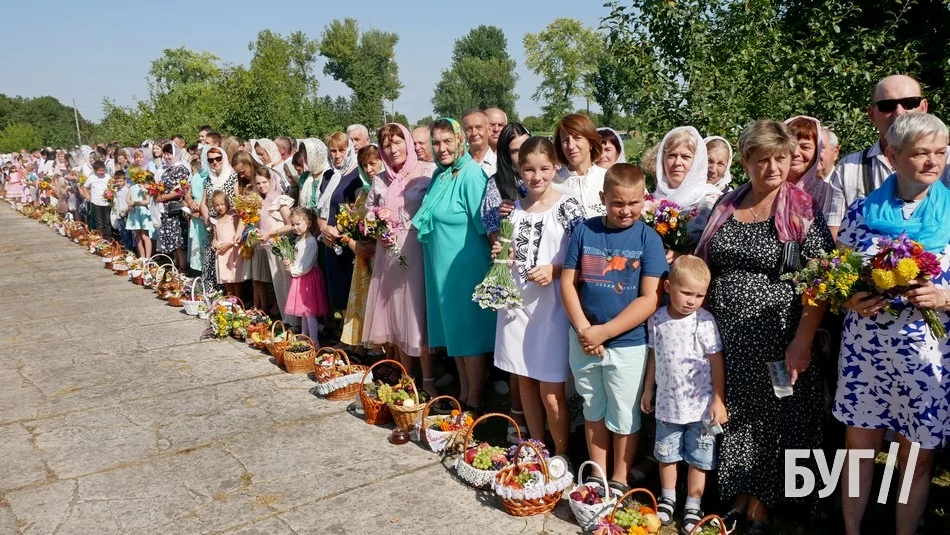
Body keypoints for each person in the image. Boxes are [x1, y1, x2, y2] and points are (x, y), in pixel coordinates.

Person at [694, 120, 834, 534]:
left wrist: (803, 340)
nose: (772, 167)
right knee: (736, 412)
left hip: (780, 340)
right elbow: (707, 257)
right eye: (762, 159)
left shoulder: (803, 209)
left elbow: (821, 280)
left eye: (781, 158)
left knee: (775, 416)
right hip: (729, 338)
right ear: (747, 161)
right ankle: (739, 492)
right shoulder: (726, 204)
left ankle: (763, 502)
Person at [832, 112, 950, 535]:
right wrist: (849, 296)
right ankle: (851, 530)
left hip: (927, 358)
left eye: (940, 151)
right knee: (859, 451)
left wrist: (944, 297)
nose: (933, 161)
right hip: (866, 353)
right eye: (921, 153)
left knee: (915, 458)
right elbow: (835, 274)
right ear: (892, 155)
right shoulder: (863, 211)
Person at [561, 163, 668, 493]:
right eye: (618, 203)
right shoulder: (584, 231)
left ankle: (620, 478)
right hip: (583, 338)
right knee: (593, 407)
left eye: (634, 203)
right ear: (603, 197)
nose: (626, 210)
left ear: (644, 199)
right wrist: (584, 329)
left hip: (628, 344)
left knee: (624, 414)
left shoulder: (648, 238)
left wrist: (603, 333)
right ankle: (598, 473)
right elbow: (568, 283)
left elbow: (650, 298)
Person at [492, 136, 585, 457]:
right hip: (516, 306)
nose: (537, 176)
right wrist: (502, 253)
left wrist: (556, 270)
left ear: (556, 166)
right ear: (519, 170)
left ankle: (560, 455)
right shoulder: (514, 209)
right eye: (529, 169)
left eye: (544, 168)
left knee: (551, 389)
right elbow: (510, 251)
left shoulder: (568, 206)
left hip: (552, 308)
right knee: (525, 381)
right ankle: (536, 445)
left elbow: (585, 255)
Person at [412, 118, 496, 413]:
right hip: (441, 267)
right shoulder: (440, 175)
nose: (442, 148)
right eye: (436, 143)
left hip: (466, 267)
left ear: (460, 141)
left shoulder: (471, 175)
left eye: (448, 141)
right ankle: (463, 391)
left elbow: (487, 225)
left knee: (468, 333)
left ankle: (474, 400)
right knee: (454, 334)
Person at [640, 255, 727, 532]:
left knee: (698, 458)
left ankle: (693, 505)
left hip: (700, 407)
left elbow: (716, 362)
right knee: (667, 454)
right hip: (668, 403)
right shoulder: (657, 320)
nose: (692, 300)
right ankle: (667, 499)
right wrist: (648, 388)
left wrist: (717, 399)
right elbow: (654, 356)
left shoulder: (704, 321)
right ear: (668, 287)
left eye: (700, 295)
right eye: (686, 293)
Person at [827, 74, 950, 239]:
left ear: (924, 107)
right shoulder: (848, 168)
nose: (899, 112)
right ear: (871, 114)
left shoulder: (947, 164)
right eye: (887, 105)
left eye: (909, 103)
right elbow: (835, 231)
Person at [363, 123, 435, 393]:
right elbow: (369, 212)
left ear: (407, 142)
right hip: (388, 253)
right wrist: (375, 228)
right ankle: (406, 376)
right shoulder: (379, 179)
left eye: (397, 142)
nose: (392, 150)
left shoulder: (426, 174)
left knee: (417, 314)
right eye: (386, 145)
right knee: (395, 314)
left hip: (416, 248)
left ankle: (428, 379)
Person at [339, 145, 381, 356]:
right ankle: (360, 343)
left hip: (379, 253)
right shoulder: (360, 192)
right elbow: (351, 225)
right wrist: (352, 242)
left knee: (376, 300)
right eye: (364, 165)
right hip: (362, 252)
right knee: (362, 300)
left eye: (373, 163)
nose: (369, 169)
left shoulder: (386, 189)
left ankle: (375, 347)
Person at [318, 133, 362, 324]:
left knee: (349, 288)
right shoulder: (328, 175)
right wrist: (323, 227)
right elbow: (320, 207)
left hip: (347, 241)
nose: (337, 155)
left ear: (350, 150)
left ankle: (353, 340)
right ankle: (342, 334)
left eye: (342, 150)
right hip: (329, 240)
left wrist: (341, 230)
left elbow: (358, 209)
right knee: (336, 289)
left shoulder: (356, 175)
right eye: (333, 151)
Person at [652, 126, 721, 245]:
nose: (677, 163)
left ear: (697, 162)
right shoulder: (648, 203)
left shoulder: (714, 203)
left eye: (686, 157)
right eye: (671, 155)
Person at [257, 167, 298, 328]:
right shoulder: (263, 201)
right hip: (270, 246)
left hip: (281, 246)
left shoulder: (280, 199)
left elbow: (290, 225)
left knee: (287, 282)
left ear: (271, 181)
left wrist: (272, 233)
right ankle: (286, 318)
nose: (261, 186)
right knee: (278, 283)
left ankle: (294, 320)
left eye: (264, 182)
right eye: (258, 183)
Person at [283, 207, 328, 342]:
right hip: (300, 277)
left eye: (298, 224)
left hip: (308, 279)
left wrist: (292, 270)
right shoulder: (298, 240)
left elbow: (307, 264)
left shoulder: (310, 242)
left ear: (308, 223)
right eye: (293, 225)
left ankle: (314, 341)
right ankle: (304, 335)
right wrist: (288, 263)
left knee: (309, 312)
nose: (295, 227)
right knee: (303, 312)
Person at [480, 122, 531, 240]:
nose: (524, 154)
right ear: (506, 155)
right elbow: (496, 240)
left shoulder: (549, 176)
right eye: (515, 151)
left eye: (527, 146)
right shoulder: (496, 185)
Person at [552, 113, 607, 217]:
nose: (571, 146)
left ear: (591, 142)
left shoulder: (609, 178)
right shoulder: (553, 184)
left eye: (577, 138)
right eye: (565, 140)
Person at [201, 147, 239, 293]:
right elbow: (203, 203)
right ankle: (214, 293)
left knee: (231, 264)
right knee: (213, 261)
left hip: (229, 226)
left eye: (218, 158)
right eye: (211, 160)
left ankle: (234, 297)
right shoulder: (209, 179)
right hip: (213, 225)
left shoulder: (232, 176)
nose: (214, 162)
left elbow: (237, 200)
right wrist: (207, 218)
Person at [785, 116, 833, 217]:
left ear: (817, 152)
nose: (795, 153)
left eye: (805, 147)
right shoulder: (765, 189)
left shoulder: (829, 194)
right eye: (790, 146)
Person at [155, 143, 191, 270]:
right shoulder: (166, 168)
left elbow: (181, 190)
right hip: (166, 209)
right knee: (172, 240)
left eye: (169, 154)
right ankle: (176, 266)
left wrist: (164, 197)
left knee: (179, 240)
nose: (166, 157)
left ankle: (183, 268)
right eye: (164, 154)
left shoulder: (181, 169)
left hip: (176, 209)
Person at [210, 190, 245, 297]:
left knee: (235, 277)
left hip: (232, 250)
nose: (220, 207)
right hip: (222, 253)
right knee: (226, 279)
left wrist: (228, 245)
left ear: (227, 203)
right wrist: (214, 244)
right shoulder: (216, 220)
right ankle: (230, 299)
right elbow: (215, 238)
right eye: (216, 205)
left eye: (222, 204)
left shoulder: (233, 217)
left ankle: (238, 300)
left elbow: (238, 235)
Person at [126, 167, 154, 260]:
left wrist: (136, 203)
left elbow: (147, 201)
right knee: (136, 235)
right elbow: (127, 198)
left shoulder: (144, 188)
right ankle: (142, 256)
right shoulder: (132, 187)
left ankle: (148, 257)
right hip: (134, 212)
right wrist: (130, 203)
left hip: (142, 212)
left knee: (144, 235)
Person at [81, 161, 112, 239]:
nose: (102, 172)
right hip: (96, 202)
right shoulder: (92, 177)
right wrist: (87, 195)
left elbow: (112, 187)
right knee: (99, 222)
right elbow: (84, 187)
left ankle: (108, 238)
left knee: (107, 222)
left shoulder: (108, 177)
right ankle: (101, 238)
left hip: (107, 202)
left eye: (103, 170)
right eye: (100, 171)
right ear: (95, 171)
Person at [462, 109, 496, 177]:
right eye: (469, 129)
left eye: (479, 127)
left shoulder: (499, 166)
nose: (474, 133)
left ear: (489, 130)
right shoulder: (459, 165)